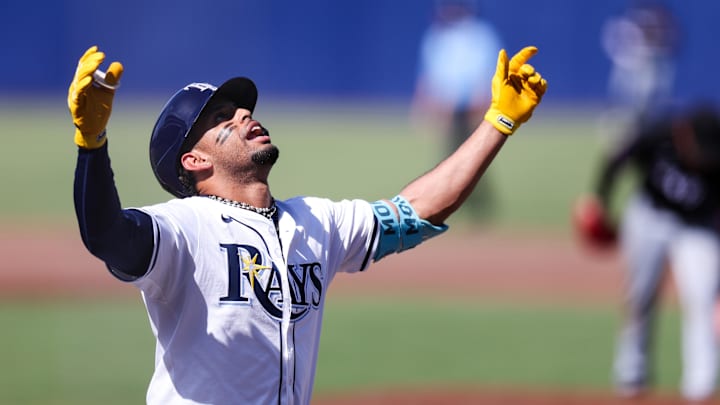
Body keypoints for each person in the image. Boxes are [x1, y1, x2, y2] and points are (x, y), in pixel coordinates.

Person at [68, 44, 546, 404]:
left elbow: (418, 210)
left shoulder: (316, 220)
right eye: (221, 117)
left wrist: (498, 121)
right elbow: (107, 236)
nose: (244, 114)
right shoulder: (181, 230)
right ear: (193, 160)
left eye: (241, 108)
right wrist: (92, 143)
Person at [572, 105, 720, 401]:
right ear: (685, 135)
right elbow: (615, 161)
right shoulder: (659, 134)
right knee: (639, 296)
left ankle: (700, 388)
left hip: (698, 228)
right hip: (649, 217)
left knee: (704, 299)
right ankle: (631, 374)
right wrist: (598, 201)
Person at [411, 0, 503, 222]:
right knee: (451, 156)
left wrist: (484, 99)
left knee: (476, 154)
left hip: (472, 106)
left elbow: (490, 68)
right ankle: (450, 205)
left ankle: (479, 206)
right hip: (448, 108)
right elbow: (430, 74)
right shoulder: (438, 37)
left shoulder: (479, 35)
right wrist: (424, 104)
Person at [599, 0, 679, 137]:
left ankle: (643, 127)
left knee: (648, 102)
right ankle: (622, 126)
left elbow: (669, 39)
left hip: (650, 64)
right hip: (632, 65)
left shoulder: (657, 15)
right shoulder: (632, 16)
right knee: (626, 101)